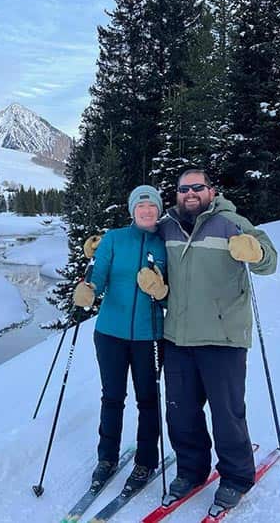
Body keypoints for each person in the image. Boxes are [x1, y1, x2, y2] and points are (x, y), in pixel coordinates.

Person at [137, 169, 277, 512]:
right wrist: (161, 289)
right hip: (179, 336)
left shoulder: (231, 222)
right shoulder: (168, 225)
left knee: (226, 413)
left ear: (211, 191)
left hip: (223, 336)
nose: (190, 193)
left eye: (198, 187)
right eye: (184, 188)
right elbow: (166, 273)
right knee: (181, 412)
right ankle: (191, 470)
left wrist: (255, 252)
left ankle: (236, 476)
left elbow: (270, 262)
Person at [73, 185, 168, 495]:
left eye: (151, 206)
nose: (146, 211)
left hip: (149, 336)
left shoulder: (165, 243)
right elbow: (98, 275)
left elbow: (172, 294)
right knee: (112, 397)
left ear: (158, 210)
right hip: (110, 333)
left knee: (148, 399)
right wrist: (89, 289)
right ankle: (107, 458)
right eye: (140, 206)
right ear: (132, 211)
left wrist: (161, 291)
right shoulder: (114, 238)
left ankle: (145, 460)